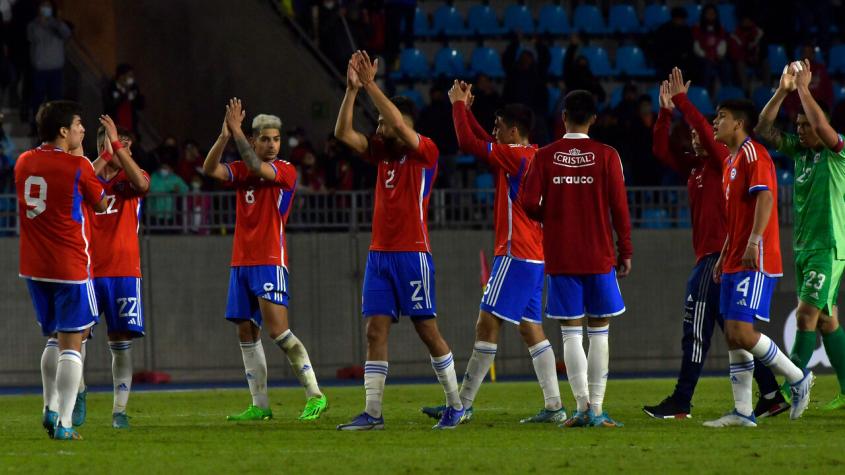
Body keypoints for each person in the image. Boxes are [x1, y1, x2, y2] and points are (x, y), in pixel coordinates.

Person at [643, 70, 787, 420]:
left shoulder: (726, 162)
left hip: (716, 258)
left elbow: (709, 134)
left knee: (696, 329)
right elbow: (659, 149)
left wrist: (682, 102)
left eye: (702, 131)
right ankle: (771, 394)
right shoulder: (695, 169)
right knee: (736, 333)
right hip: (712, 257)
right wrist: (665, 112)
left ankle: (682, 400)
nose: (696, 136)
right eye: (693, 132)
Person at [421, 81, 564, 424]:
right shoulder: (531, 154)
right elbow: (484, 139)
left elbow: (470, 143)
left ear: (514, 131)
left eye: (499, 127)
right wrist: (468, 112)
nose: (494, 132)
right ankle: (555, 406)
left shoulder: (514, 155)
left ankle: (462, 405)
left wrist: (456, 106)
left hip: (515, 254)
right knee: (531, 330)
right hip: (533, 256)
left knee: (486, 324)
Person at [334, 51, 463, 430]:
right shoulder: (382, 154)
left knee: (427, 330)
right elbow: (342, 133)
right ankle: (373, 413)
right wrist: (352, 91)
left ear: (404, 125)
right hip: (379, 257)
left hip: (412, 254)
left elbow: (396, 124)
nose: (378, 128)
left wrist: (372, 84)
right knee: (375, 331)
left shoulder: (426, 151)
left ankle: (455, 405)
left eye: (384, 122)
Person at [203, 98, 328, 421]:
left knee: (278, 331)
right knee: (246, 332)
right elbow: (209, 169)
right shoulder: (242, 169)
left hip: (270, 260)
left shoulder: (285, 170)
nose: (272, 145)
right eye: (266, 139)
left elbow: (257, 166)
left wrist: (237, 132)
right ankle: (260, 405)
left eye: (276, 139)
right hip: (241, 262)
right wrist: (224, 136)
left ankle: (315, 394)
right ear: (255, 139)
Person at [522, 90, 632, 428]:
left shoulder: (545, 156)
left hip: (562, 256)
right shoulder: (607, 155)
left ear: (563, 116)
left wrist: (552, 214)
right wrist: (624, 250)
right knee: (599, 333)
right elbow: (620, 208)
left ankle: (582, 407)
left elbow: (526, 202)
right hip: (599, 256)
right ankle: (597, 410)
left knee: (570, 334)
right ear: (594, 119)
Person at [702, 97, 812, 427]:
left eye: (720, 117)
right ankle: (742, 411)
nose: (715, 123)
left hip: (756, 257)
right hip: (734, 257)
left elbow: (765, 198)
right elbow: (736, 217)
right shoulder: (729, 162)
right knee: (733, 336)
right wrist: (723, 254)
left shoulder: (754, 154)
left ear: (739, 123)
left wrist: (752, 241)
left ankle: (798, 378)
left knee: (742, 331)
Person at [15, 100, 108, 440]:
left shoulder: (23, 162)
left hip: (34, 267)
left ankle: (49, 406)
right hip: (69, 265)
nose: (82, 130)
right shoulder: (77, 166)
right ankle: (65, 424)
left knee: (54, 338)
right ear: (64, 130)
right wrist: (101, 158)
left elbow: (61, 183)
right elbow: (98, 203)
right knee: (74, 343)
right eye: (78, 124)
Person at [756, 59, 845, 411]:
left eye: (806, 125)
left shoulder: (838, 152)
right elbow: (764, 128)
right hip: (804, 247)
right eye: (798, 125)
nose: (801, 130)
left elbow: (824, 128)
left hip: (829, 246)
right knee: (826, 321)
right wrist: (784, 91)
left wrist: (805, 89)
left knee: (806, 316)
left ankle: (794, 384)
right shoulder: (801, 152)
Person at [71, 117, 149, 430]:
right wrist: (106, 152)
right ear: (101, 145)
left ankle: (119, 411)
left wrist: (118, 147)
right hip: (86, 270)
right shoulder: (86, 178)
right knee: (76, 337)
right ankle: (78, 393)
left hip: (124, 271)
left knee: (120, 340)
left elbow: (143, 185)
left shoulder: (133, 179)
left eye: (127, 145)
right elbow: (77, 178)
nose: (121, 150)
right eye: (116, 143)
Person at [26, 1, 70, 122]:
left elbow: (66, 34)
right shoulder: (33, 25)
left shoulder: (58, 24)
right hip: (40, 69)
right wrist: (42, 23)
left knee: (56, 100)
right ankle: (36, 126)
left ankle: (56, 126)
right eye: (43, 6)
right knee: (38, 99)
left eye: (48, 6)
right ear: (39, 8)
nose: (46, 9)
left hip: (56, 68)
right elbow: (33, 37)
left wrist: (58, 23)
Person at [103, 63, 145, 135]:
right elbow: (110, 106)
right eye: (129, 76)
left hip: (130, 130)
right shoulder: (110, 88)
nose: (131, 79)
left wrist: (137, 95)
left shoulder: (133, 88)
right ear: (121, 76)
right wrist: (124, 93)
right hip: (115, 130)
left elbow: (141, 106)